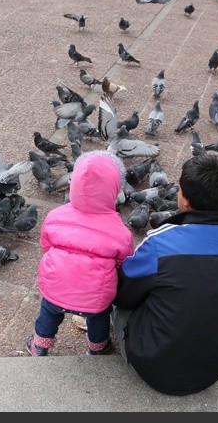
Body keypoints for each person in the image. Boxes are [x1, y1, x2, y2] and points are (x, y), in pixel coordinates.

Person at [112, 154, 218, 396]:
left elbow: (123, 296)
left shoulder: (162, 243)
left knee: (117, 297)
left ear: (185, 200)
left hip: (154, 367)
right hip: (215, 368)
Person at [26, 150, 134, 356]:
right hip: (95, 296)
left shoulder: (55, 215)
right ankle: (98, 347)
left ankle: (39, 346)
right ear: (115, 188)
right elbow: (123, 263)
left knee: (48, 312)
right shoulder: (120, 231)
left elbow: (46, 245)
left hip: (55, 287)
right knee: (99, 317)